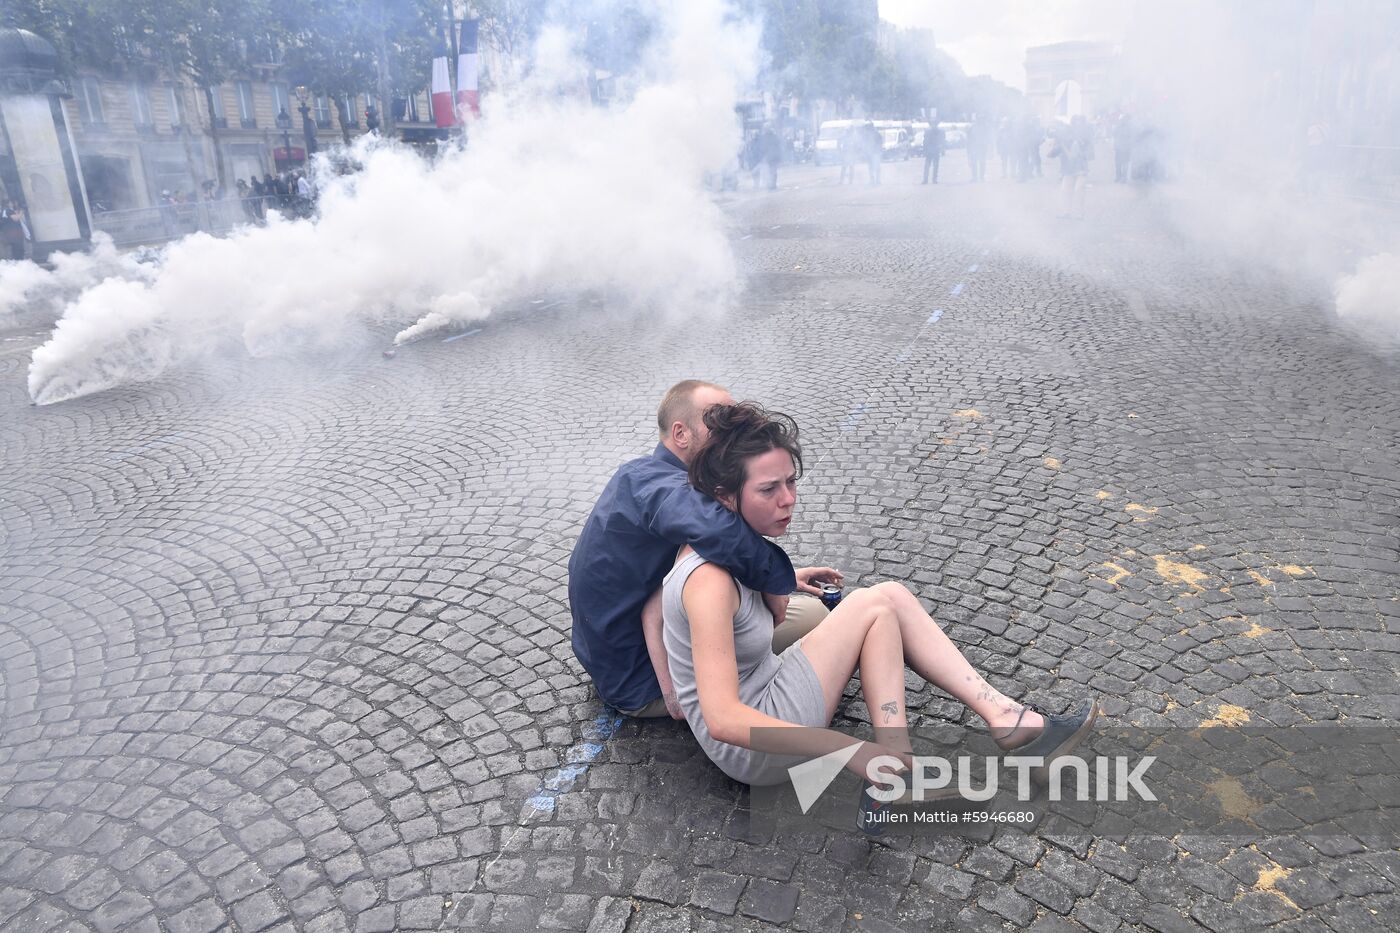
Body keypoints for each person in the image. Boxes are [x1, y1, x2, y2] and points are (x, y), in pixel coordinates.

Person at [662, 403, 1098, 829]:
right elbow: (722, 719)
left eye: (792, 482)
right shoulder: (710, 581)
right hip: (753, 744)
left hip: (767, 689)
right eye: (769, 489)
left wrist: (783, 578)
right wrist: (846, 748)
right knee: (874, 606)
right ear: (723, 495)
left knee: (886, 597)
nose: (788, 499)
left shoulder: (728, 538)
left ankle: (986, 730)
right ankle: (914, 765)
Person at [570, 381, 837, 719]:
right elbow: (720, 534)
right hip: (642, 681)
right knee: (817, 620)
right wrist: (774, 579)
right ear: (681, 434)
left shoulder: (643, 476)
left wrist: (785, 578)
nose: (732, 431)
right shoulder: (664, 487)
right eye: (719, 419)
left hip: (618, 659)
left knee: (806, 616)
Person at [1048, 116, 1093, 219]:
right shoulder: (1062, 141)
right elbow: (1051, 155)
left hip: (1080, 169)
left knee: (1078, 190)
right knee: (1065, 191)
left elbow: (1077, 155)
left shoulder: (1079, 141)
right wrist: (1055, 143)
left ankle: (1080, 214)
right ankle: (1066, 212)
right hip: (1068, 170)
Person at [1113, 115, 1134, 183]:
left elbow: (1114, 135)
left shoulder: (1120, 127)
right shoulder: (1128, 127)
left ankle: (1121, 177)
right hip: (1122, 147)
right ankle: (1121, 177)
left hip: (1124, 147)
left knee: (1122, 163)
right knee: (1121, 163)